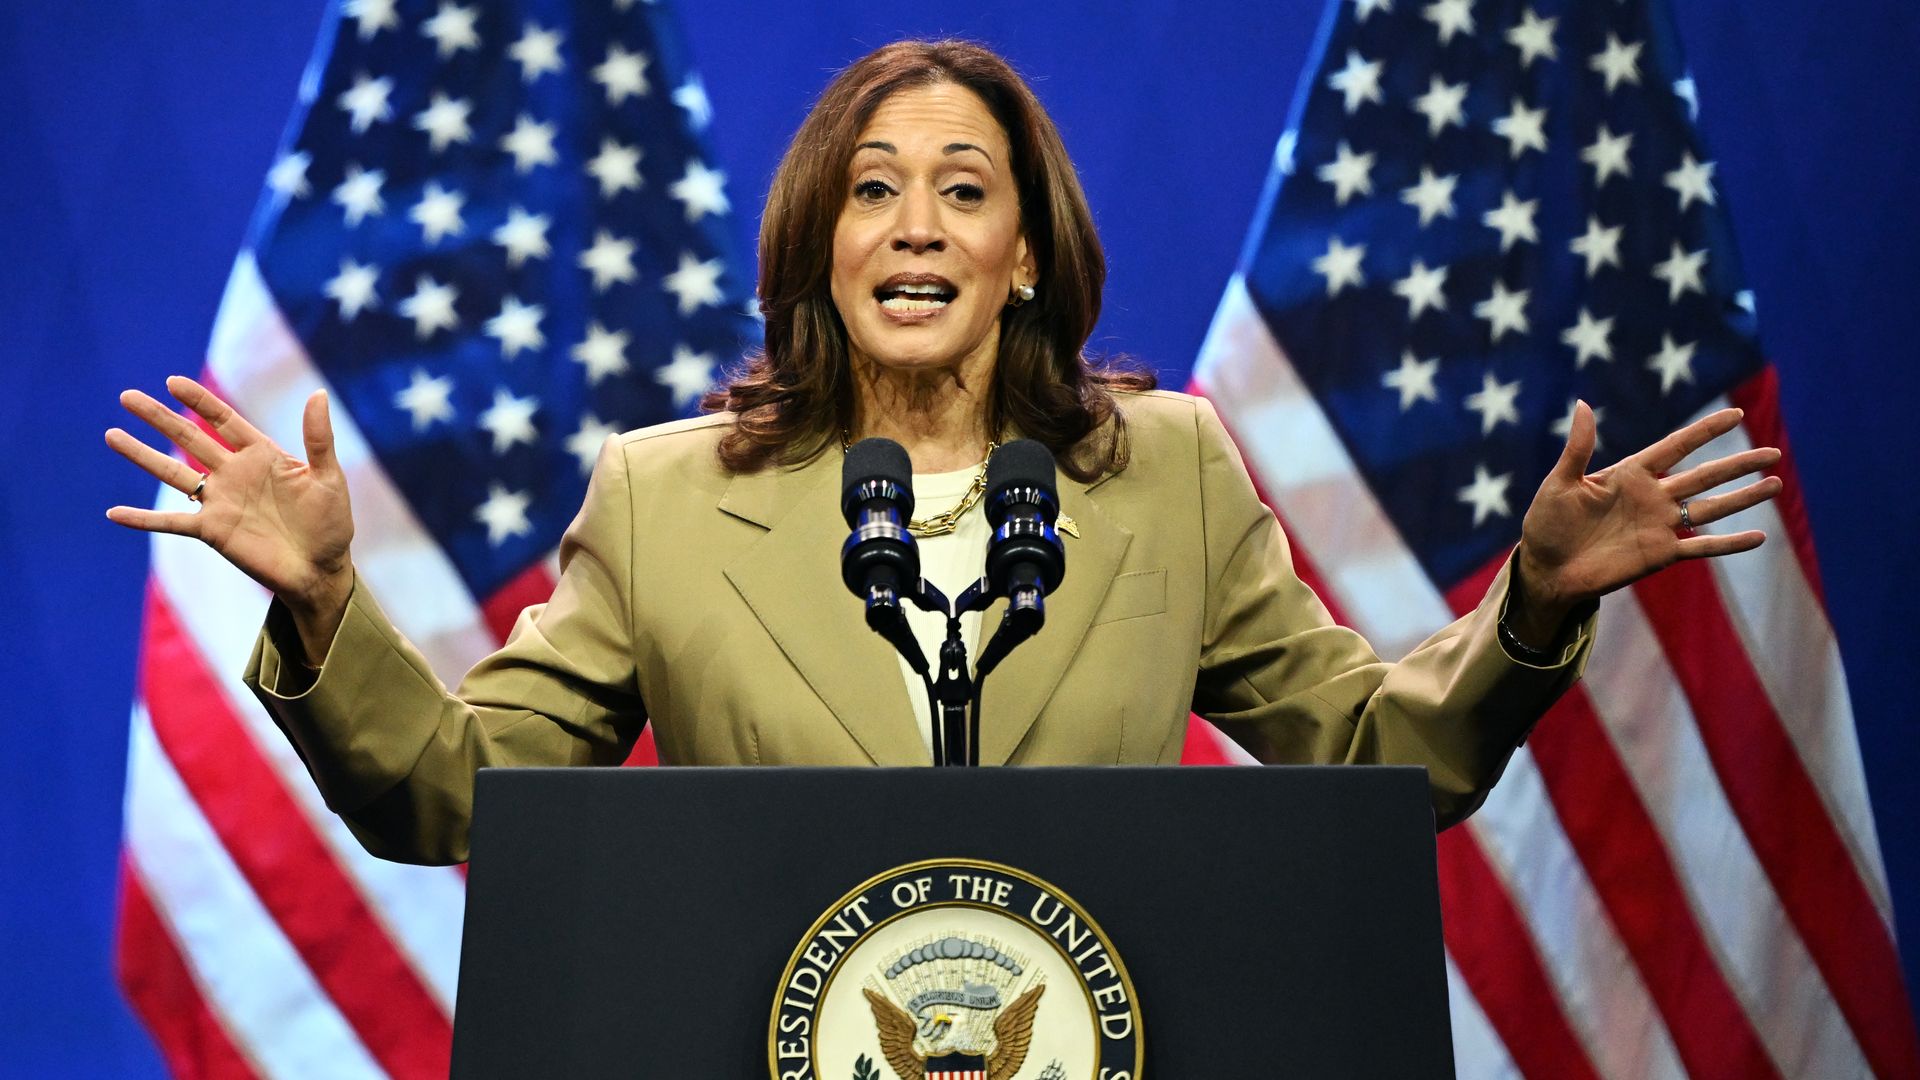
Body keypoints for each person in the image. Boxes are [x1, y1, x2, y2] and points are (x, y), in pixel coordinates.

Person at [105, 41, 1782, 865]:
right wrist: (327, 604)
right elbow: (461, 798)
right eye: (873, 188)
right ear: (818, 246)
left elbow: (1367, 764)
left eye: (964, 189)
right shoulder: (667, 497)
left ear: (1026, 251)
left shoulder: (1170, 473)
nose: (917, 227)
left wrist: (1536, 610)